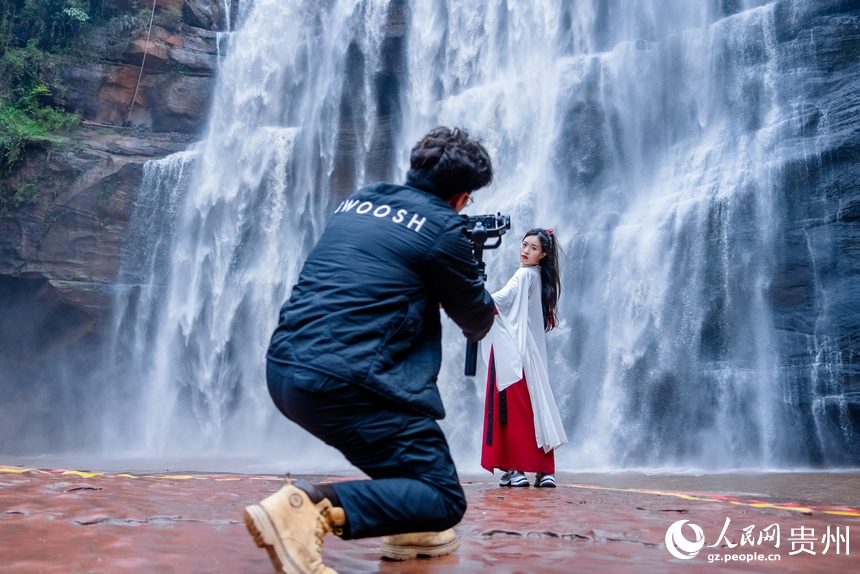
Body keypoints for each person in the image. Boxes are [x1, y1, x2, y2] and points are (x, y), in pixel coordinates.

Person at [244, 127, 496, 574]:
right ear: (461, 196)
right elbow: (476, 321)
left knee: (410, 470)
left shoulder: (358, 200)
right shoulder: (445, 229)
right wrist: (462, 277)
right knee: (443, 497)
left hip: (285, 370)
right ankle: (304, 509)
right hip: (346, 382)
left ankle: (411, 529)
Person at [480, 228, 568, 488]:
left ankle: (515, 470)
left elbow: (499, 300)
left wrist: (462, 300)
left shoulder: (523, 275)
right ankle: (544, 471)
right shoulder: (543, 280)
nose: (525, 250)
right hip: (533, 355)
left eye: (532, 248)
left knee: (511, 411)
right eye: (524, 244)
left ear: (542, 254)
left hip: (513, 350)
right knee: (536, 408)